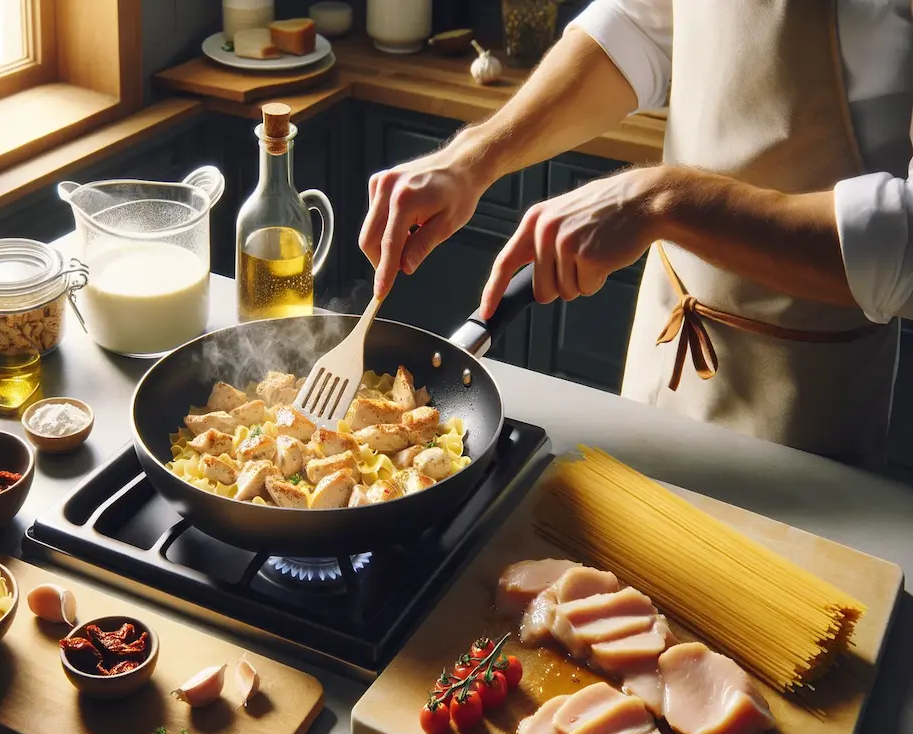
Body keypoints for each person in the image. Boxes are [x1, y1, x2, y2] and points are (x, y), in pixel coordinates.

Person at [359, 0, 912, 469]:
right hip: (668, 335)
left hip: (808, 395)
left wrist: (665, 202)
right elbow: (642, 24)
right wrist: (475, 155)